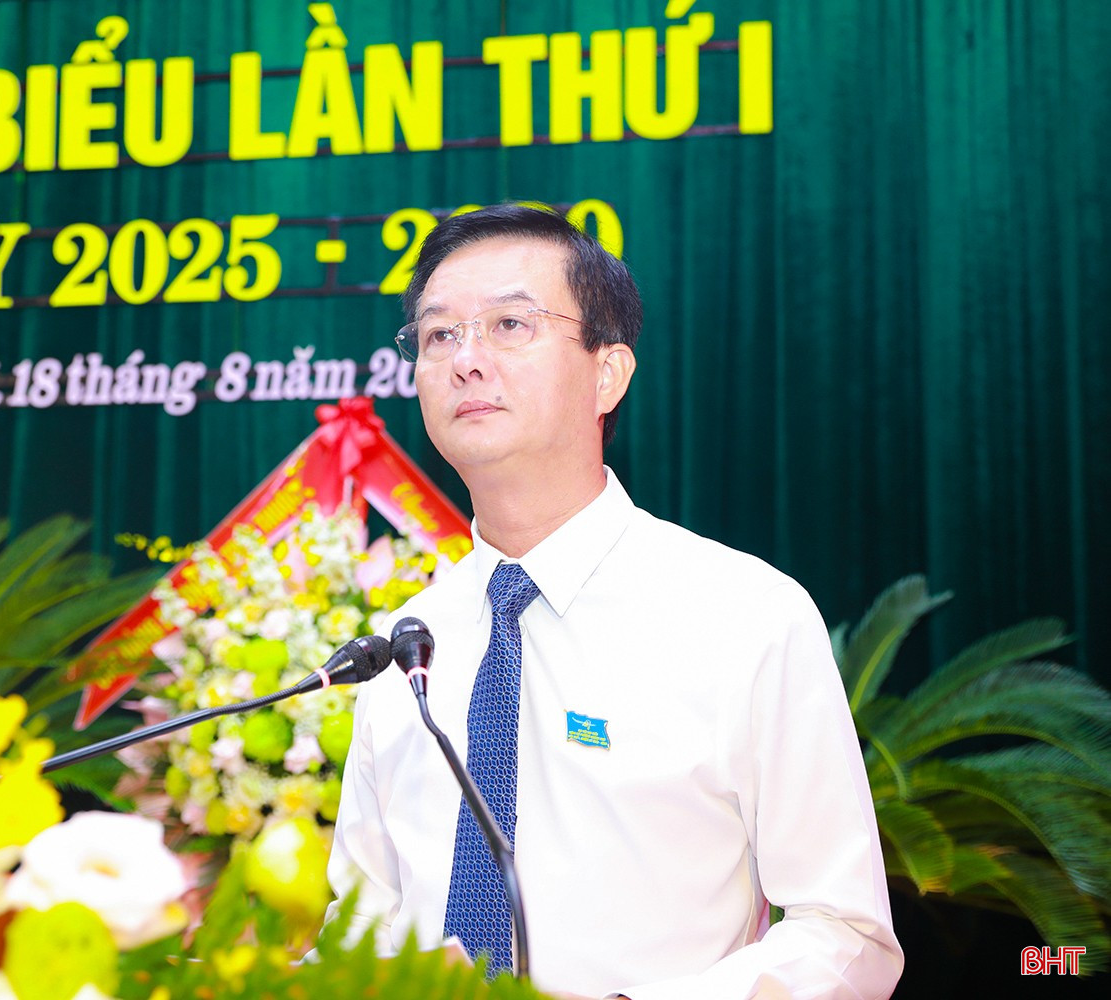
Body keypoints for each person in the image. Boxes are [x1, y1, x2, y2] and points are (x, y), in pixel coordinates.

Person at [324, 203, 904, 999]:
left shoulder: (743, 616)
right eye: (439, 336)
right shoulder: (405, 647)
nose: (466, 360)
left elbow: (848, 938)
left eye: (509, 325)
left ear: (608, 373)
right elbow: (363, 923)